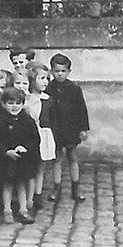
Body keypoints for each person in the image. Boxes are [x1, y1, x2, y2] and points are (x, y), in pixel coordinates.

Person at [0, 87, 40, 224]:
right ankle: (7, 210)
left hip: (23, 159)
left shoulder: (27, 120)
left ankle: (23, 209)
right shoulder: (0, 121)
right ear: (4, 104)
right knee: (7, 184)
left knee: (21, 184)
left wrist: (25, 148)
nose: (14, 106)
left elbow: (34, 139)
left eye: (18, 103)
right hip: (7, 159)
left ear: (23, 104)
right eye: (10, 103)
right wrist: (6, 151)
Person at [46, 54, 90, 202]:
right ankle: (56, 188)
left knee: (72, 158)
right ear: (52, 71)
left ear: (69, 71)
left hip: (71, 128)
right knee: (57, 158)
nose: (60, 74)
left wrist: (83, 128)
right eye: (57, 71)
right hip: (55, 129)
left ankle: (75, 188)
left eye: (63, 71)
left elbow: (81, 109)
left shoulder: (74, 89)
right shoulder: (48, 88)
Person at [25, 63, 57, 212]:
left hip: (44, 134)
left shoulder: (48, 99)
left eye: (47, 78)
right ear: (32, 80)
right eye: (42, 78)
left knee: (41, 167)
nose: (45, 82)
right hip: (30, 135)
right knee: (29, 166)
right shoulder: (26, 99)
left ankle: (38, 194)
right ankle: (26, 195)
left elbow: (51, 119)